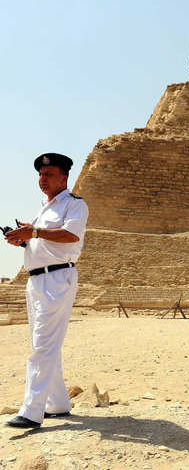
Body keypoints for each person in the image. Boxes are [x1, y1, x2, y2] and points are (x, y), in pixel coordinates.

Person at [3, 153, 89, 428]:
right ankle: (58, 403)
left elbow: (71, 235)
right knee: (44, 343)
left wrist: (36, 232)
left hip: (56, 279)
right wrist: (23, 240)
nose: (42, 179)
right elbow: (42, 242)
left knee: (43, 345)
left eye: (48, 174)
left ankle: (31, 411)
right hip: (36, 281)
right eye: (41, 175)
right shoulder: (44, 208)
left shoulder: (74, 205)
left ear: (63, 178)